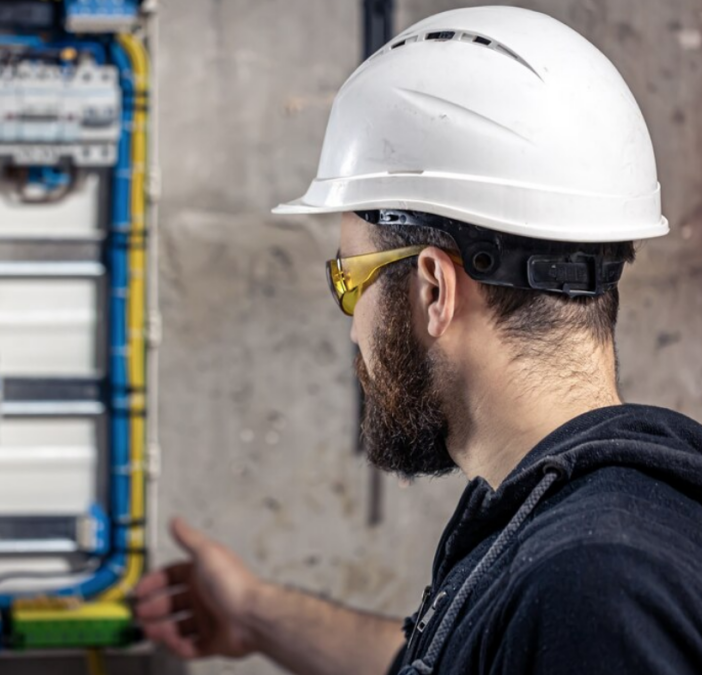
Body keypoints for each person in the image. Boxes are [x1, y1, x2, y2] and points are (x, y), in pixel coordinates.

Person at [133, 7, 702, 675]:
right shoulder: (586, 524)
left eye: (351, 279)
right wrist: (255, 612)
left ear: (434, 288)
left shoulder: (594, 589)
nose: (353, 326)